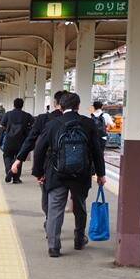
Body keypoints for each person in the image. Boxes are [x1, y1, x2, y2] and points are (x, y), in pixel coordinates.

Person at [33, 92, 106, 257]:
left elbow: (39, 149)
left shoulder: (52, 124)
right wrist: (101, 174)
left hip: (57, 173)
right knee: (80, 206)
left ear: (60, 106)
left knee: (55, 209)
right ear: (78, 106)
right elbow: (97, 151)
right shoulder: (88, 123)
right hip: (81, 174)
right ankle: (79, 240)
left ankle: (54, 247)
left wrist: (39, 173)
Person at [12, 90, 67, 223]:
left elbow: (31, 141)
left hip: (50, 166)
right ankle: (79, 231)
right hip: (75, 167)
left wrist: (19, 159)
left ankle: (50, 221)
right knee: (74, 199)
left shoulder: (43, 119)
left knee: (48, 194)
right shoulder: (80, 120)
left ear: (54, 103)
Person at [0, 98, 34, 183]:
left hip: (9, 140)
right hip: (21, 141)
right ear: (22, 105)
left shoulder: (8, 114)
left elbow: (2, 125)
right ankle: (16, 178)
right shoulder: (26, 115)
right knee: (19, 158)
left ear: (13, 105)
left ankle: (9, 170)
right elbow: (34, 124)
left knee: (7, 156)